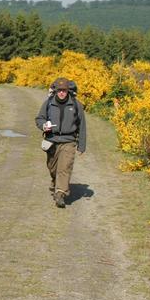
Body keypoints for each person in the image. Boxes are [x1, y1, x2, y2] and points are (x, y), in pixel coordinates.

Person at [35, 77, 86, 208]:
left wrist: (81, 144)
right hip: (52, 140)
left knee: (64, 168)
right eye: (59, 90)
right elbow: (39, 118)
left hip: (69, 141)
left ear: (68, 91)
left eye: (64, 90)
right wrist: (43, 126)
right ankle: (54, 182)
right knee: (52, 167)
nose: (62, 93)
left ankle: (60, 193)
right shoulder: (48, 103)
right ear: (56, 91)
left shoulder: (76, 104)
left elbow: (82, 125)